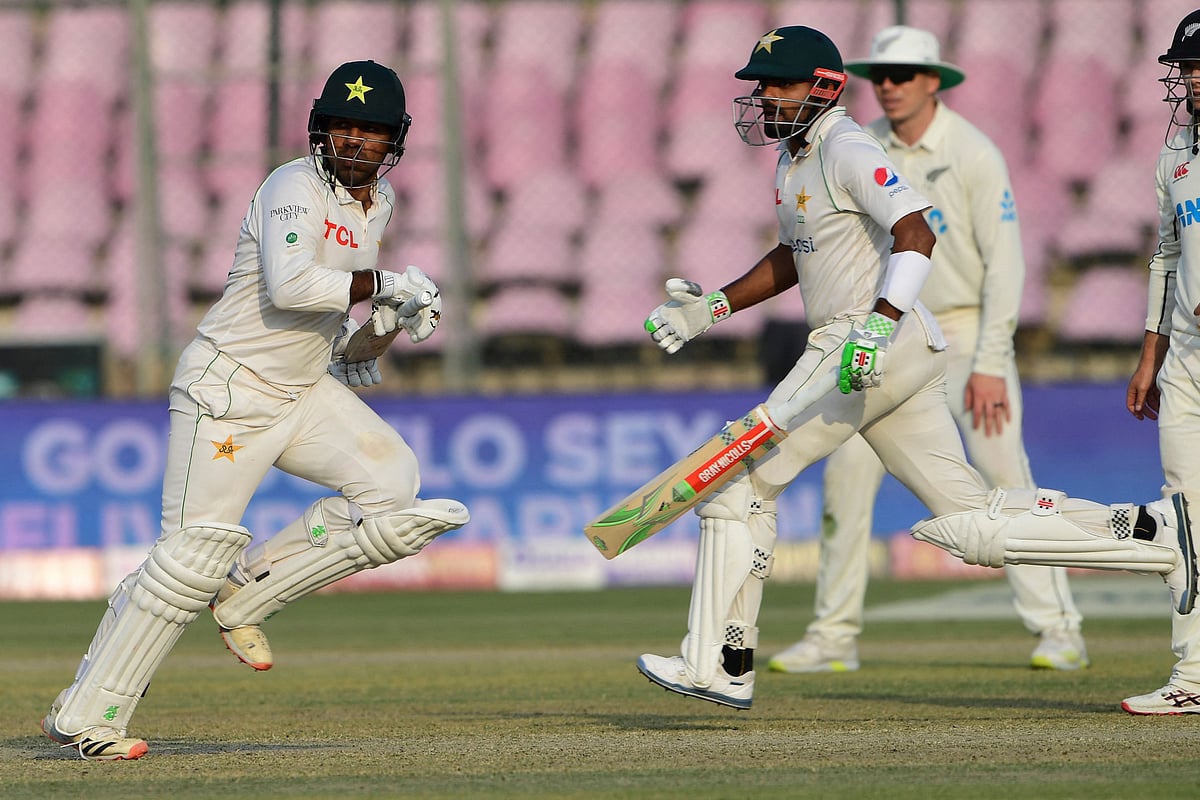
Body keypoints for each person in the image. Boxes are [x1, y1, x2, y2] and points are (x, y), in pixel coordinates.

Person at [634, 25, 1197, 712]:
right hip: (883, 350)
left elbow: (916, 231)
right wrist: (713, 307)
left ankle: (720, 664)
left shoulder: (845, 143)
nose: (765, 98)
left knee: (738, 484)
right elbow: (796, 254)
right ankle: (1154, 539)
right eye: (760, 86)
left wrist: (877, 325)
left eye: (777, 85)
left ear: (823, 88)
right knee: (970, 522)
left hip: (863, 343)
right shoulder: (795, 157)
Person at [41, 60, 469, 760]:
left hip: (303, 390)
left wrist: (395, 315)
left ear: (394, 141)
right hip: (228, 392)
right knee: (187, 561)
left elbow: (353, 351)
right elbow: (296, 285)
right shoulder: (291, 186)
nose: (354, 142)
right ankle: (89, 716)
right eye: (342, 127)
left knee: (393, 489)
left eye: (371, 131)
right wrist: (385, 281)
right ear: (319, 130)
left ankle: (247, 593)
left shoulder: (380, 201)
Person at [768, 26, 1087, 676]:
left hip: (966, 331)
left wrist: (993, 361)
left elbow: (1006, 265)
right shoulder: (852, 144)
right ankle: (833, 636)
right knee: (846, 482)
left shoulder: (971, 151)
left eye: (905, 74)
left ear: (933, 79)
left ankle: (1057, 628)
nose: (889, 85)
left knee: (1001, 476)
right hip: (881, 336)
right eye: (880, 75)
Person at [1120, 8, 1200, 714]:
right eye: (1187, 68)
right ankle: (1194, 678)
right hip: (1188, 364)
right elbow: (1168, 254)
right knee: (1186, 518)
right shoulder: (1175, 151)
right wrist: (1152, 352)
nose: (1194, 79)